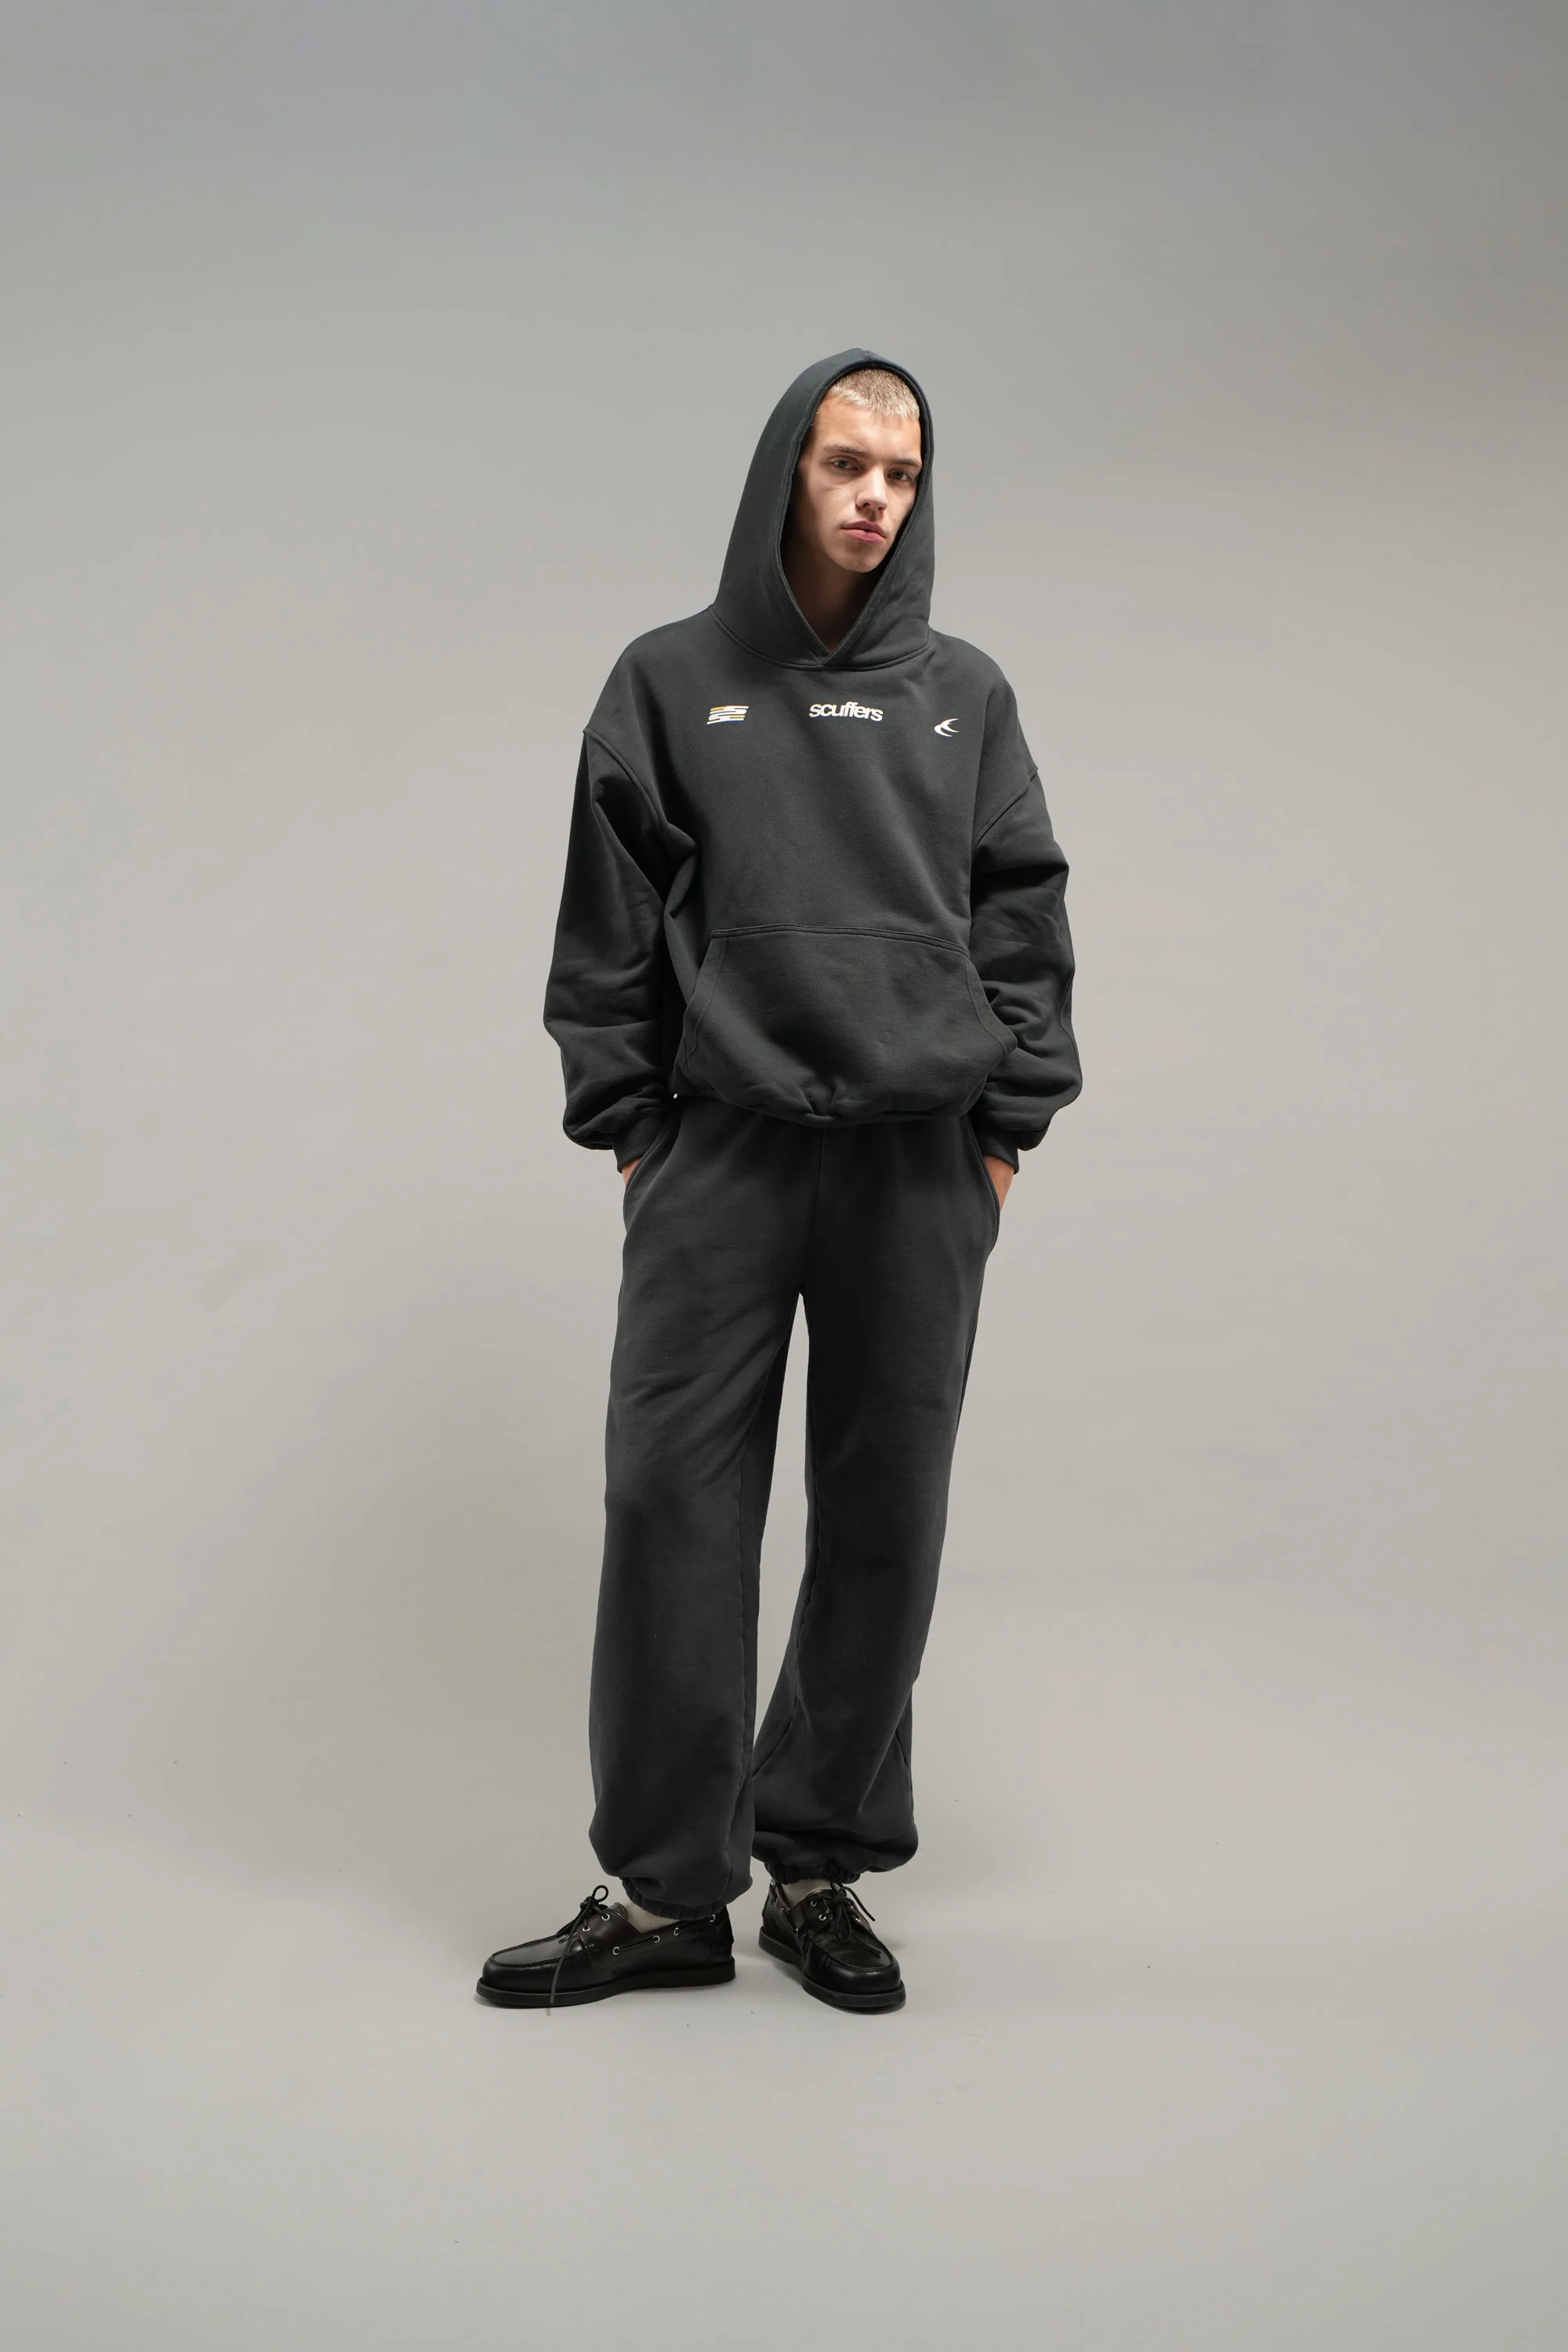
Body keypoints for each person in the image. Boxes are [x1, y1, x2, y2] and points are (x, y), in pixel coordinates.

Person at [477, 349, 1080, 2014]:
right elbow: (607, 924)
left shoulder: (965, 695)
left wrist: (1006, 1130)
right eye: (845, 463)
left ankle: (819, 1872)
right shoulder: (670, 681)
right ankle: (665, 1893)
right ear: (784, 473)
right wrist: (630, 1123)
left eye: (903, 470)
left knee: (884, 1511)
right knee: (670, 1503)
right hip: (721, 1155)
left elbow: (1022, 910)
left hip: (917, 1160)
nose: (876, 495)